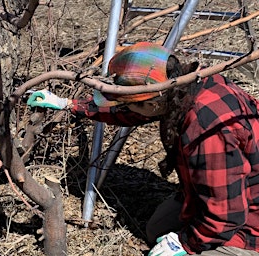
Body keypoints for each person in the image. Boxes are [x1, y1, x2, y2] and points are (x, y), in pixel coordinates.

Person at [27, 42, 259, 255]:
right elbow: (127, 110)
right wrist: (68, 104)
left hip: (248, 221)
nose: (130, 110)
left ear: (152, 103)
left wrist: (186, 244)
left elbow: (226, 216)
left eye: (132, 104)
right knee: (157, 229)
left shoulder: (207, 129)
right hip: (224, 192)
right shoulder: (185, 86)